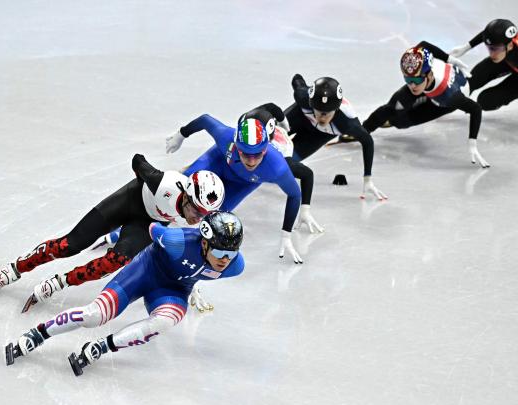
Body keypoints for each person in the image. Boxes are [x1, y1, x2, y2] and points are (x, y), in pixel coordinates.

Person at [5, 211, 245, 376]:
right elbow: (148, 226)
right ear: (204, 243)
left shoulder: (236, 266)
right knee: (94, 315)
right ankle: (38, 334)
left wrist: (194, 283)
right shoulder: (176, 241)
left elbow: (203, 267)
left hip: (173, 290)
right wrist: (116, 236)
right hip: (145, 271)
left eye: (231, 254)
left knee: (166, 320)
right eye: (220, 251)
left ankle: (103, 346)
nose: (225, 260)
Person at [0, 154, 225, 313]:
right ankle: (16, 268)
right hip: (130, 200)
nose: (195, 218)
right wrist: (142, 173)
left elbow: (191, 251)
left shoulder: (199, 219)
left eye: (203, 215)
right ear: (188, 194)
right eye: (194, 209)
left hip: (147, 222)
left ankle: (58, 282)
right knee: (69, 245)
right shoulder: (164, 184)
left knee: (113, 262)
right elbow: (138, 160)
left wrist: (191, 285)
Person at [165, 116, 304, 263]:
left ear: (265, 150)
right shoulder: (226, 136)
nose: (251, 162)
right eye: (245, 154)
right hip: (219, 161)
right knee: (185, 186)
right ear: (236, 146)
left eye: (257, 155)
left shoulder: (277, 167)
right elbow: (205, 120)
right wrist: (181, 134)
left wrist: (286, 234)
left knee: (213, 217)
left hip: (244, 182)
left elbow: (295, 195)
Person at [347, 41, 489, 167]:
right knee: (393, 107)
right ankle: (364, 129)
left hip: (443, 101)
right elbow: (424, 45)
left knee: (401, 122)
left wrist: (472, 143)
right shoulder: (419, 64)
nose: (412, 85)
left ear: (429, 75)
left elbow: (475, 109)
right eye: (408, 80)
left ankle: (396, 119)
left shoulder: (449, 96)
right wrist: (449, 58)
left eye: (416, 81)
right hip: (430, 87)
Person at [284, 74, 387, 200]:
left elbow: (368, 142)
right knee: (266, 137)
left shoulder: (347, 123)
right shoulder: (303, 97)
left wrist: (368, 179)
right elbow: (297, 78)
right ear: (311, 103)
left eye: (327, 113)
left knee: (283, 163)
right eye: (319, 110)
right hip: (300, 117)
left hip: (319, 135)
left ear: (337, 109)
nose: (322, 117)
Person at [239, 103, 324, 233]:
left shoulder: (281, 159)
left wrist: (305, 209)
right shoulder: (245, 121)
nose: (251, 159)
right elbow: (271, 107)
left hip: (285, 144)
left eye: (256, 153)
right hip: (276, 129)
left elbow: (307, 174)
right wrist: (284, 121)